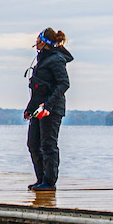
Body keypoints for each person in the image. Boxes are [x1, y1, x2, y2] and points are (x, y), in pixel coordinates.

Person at [25, 27, 72, 190]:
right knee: (33, 144)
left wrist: (48, 105)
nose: (35, 43)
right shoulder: (42, 60)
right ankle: (40, 179)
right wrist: (29, 109)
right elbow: (37, 87)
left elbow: (64, 84)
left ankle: (49, 182)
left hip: (51, 109)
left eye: (38, 40)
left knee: (48, 145)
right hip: (37, 110)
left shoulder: (56, 59)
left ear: (44, 42)